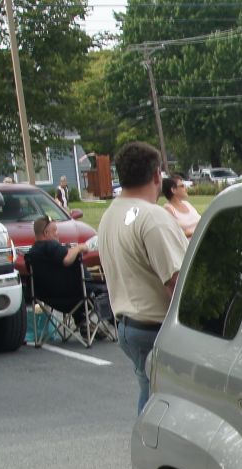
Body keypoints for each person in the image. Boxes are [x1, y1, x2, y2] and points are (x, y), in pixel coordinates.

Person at [99, 141, 188, 415]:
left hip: (128, 323)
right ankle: (152, 453)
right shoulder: (152, 218)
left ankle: (148, 448)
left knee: (149, 392)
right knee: (165, 405)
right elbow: (177, 283)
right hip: (156, 327)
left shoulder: (110, 215)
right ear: (156, 176)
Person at [161, 174, 199, 238]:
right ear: (173, 190)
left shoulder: (187, 204)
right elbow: (173, 234)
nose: (186, 188)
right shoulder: (168, 210)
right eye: (182, 186)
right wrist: (199, 233)